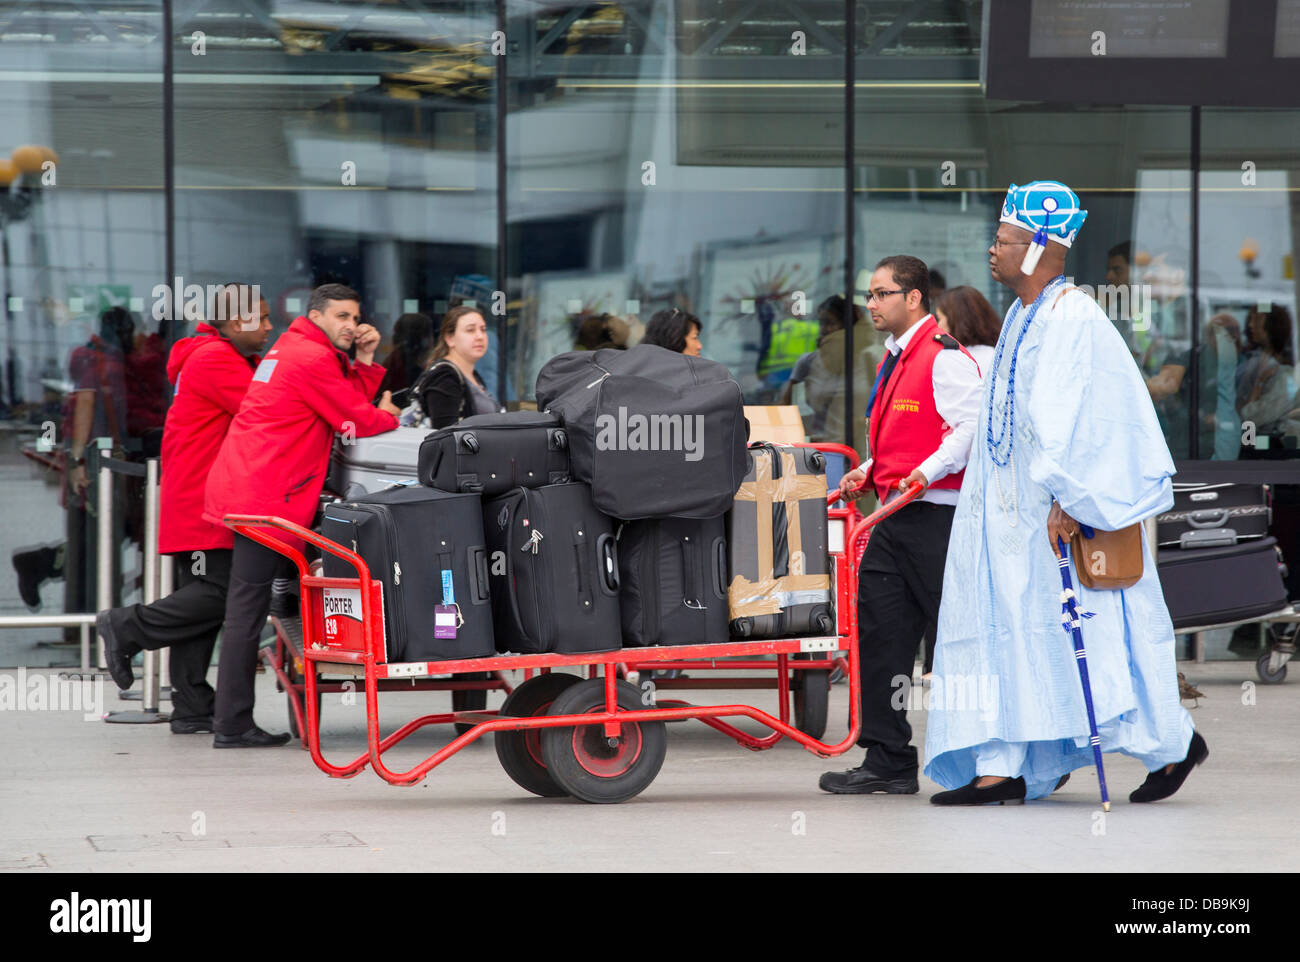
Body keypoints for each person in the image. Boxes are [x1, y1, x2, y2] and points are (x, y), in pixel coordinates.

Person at [924, 180, 1205, 805]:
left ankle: (1172, 742)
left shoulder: (1074, 315)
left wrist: (1072, 500)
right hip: (1005, 519)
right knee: (1009, 634)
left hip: (1059, 517)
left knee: (1096, 637)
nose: (992, 251)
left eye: (1003, 241)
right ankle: (1004, 767)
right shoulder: (1026, 313)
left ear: (1037, 248)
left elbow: (1093, 421)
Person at [201, 283, 401, 747]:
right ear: (316, 316)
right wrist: (390, 414)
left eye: (355, 317)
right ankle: (231, 724)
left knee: (249, 607)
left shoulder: (298, 348)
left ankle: (233, 718)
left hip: (255, 489)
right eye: (342, 318)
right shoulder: (310, 358)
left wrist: (366, 363)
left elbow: (342, 401)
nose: (351, 326)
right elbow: (359, 418)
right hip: (263, 497)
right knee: (246, 612)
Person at [817, 254, 983, 796]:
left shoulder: (943, 356)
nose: (871, 304)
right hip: (894, 516)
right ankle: (887, 758)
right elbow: (903, 439)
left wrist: (922, 474)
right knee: (880, 636)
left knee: (956, 643)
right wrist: (868, 471)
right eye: (869, 294)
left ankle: (990, 758)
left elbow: (968, 430)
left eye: (883, 293)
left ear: (914, 297)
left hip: (937, 518)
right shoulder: (896, 356)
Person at [96, 284, 273, 733]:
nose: (271, 327)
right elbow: (268, 410)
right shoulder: (217, 360)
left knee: (204, 601)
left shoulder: (216, 356)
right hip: (204, 501)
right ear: (236, 324)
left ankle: (193, 706)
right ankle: (126, 627)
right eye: (263, 318)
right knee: (218, 593)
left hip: (197, 497)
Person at [409, 305, 504, 430]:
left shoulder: (473, 375)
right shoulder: (444, 377)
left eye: (483, 329)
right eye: (470, 330)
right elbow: (447, 436)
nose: (480, 336)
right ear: (450, 339)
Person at [933, 286, 999, 376]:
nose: (938, 325)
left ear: (956, 320)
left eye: (939, 318)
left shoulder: (958, 359)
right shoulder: (995, 355)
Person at [378, 312, 435, 395]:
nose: (432, 340)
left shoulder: (396, 358)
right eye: (429, 335)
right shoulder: (399, 364)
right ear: (421, 340)